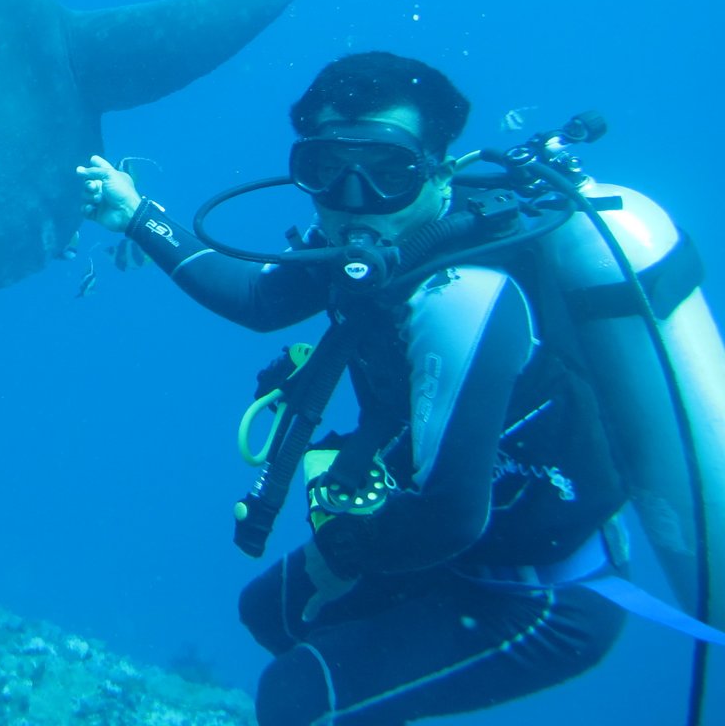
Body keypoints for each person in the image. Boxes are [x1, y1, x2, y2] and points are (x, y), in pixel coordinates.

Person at [77, 52, 647, 726]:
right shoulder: (371, 251)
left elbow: (451, 520)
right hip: (451, 545)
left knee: (296, 697)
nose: (353, 201)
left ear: (439, 168)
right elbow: (259, 298)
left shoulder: (464, 298)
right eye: (326, 170)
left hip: (545, 590)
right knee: (269, 614)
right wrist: (137, 212)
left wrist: (342, 550)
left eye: (387, 172)